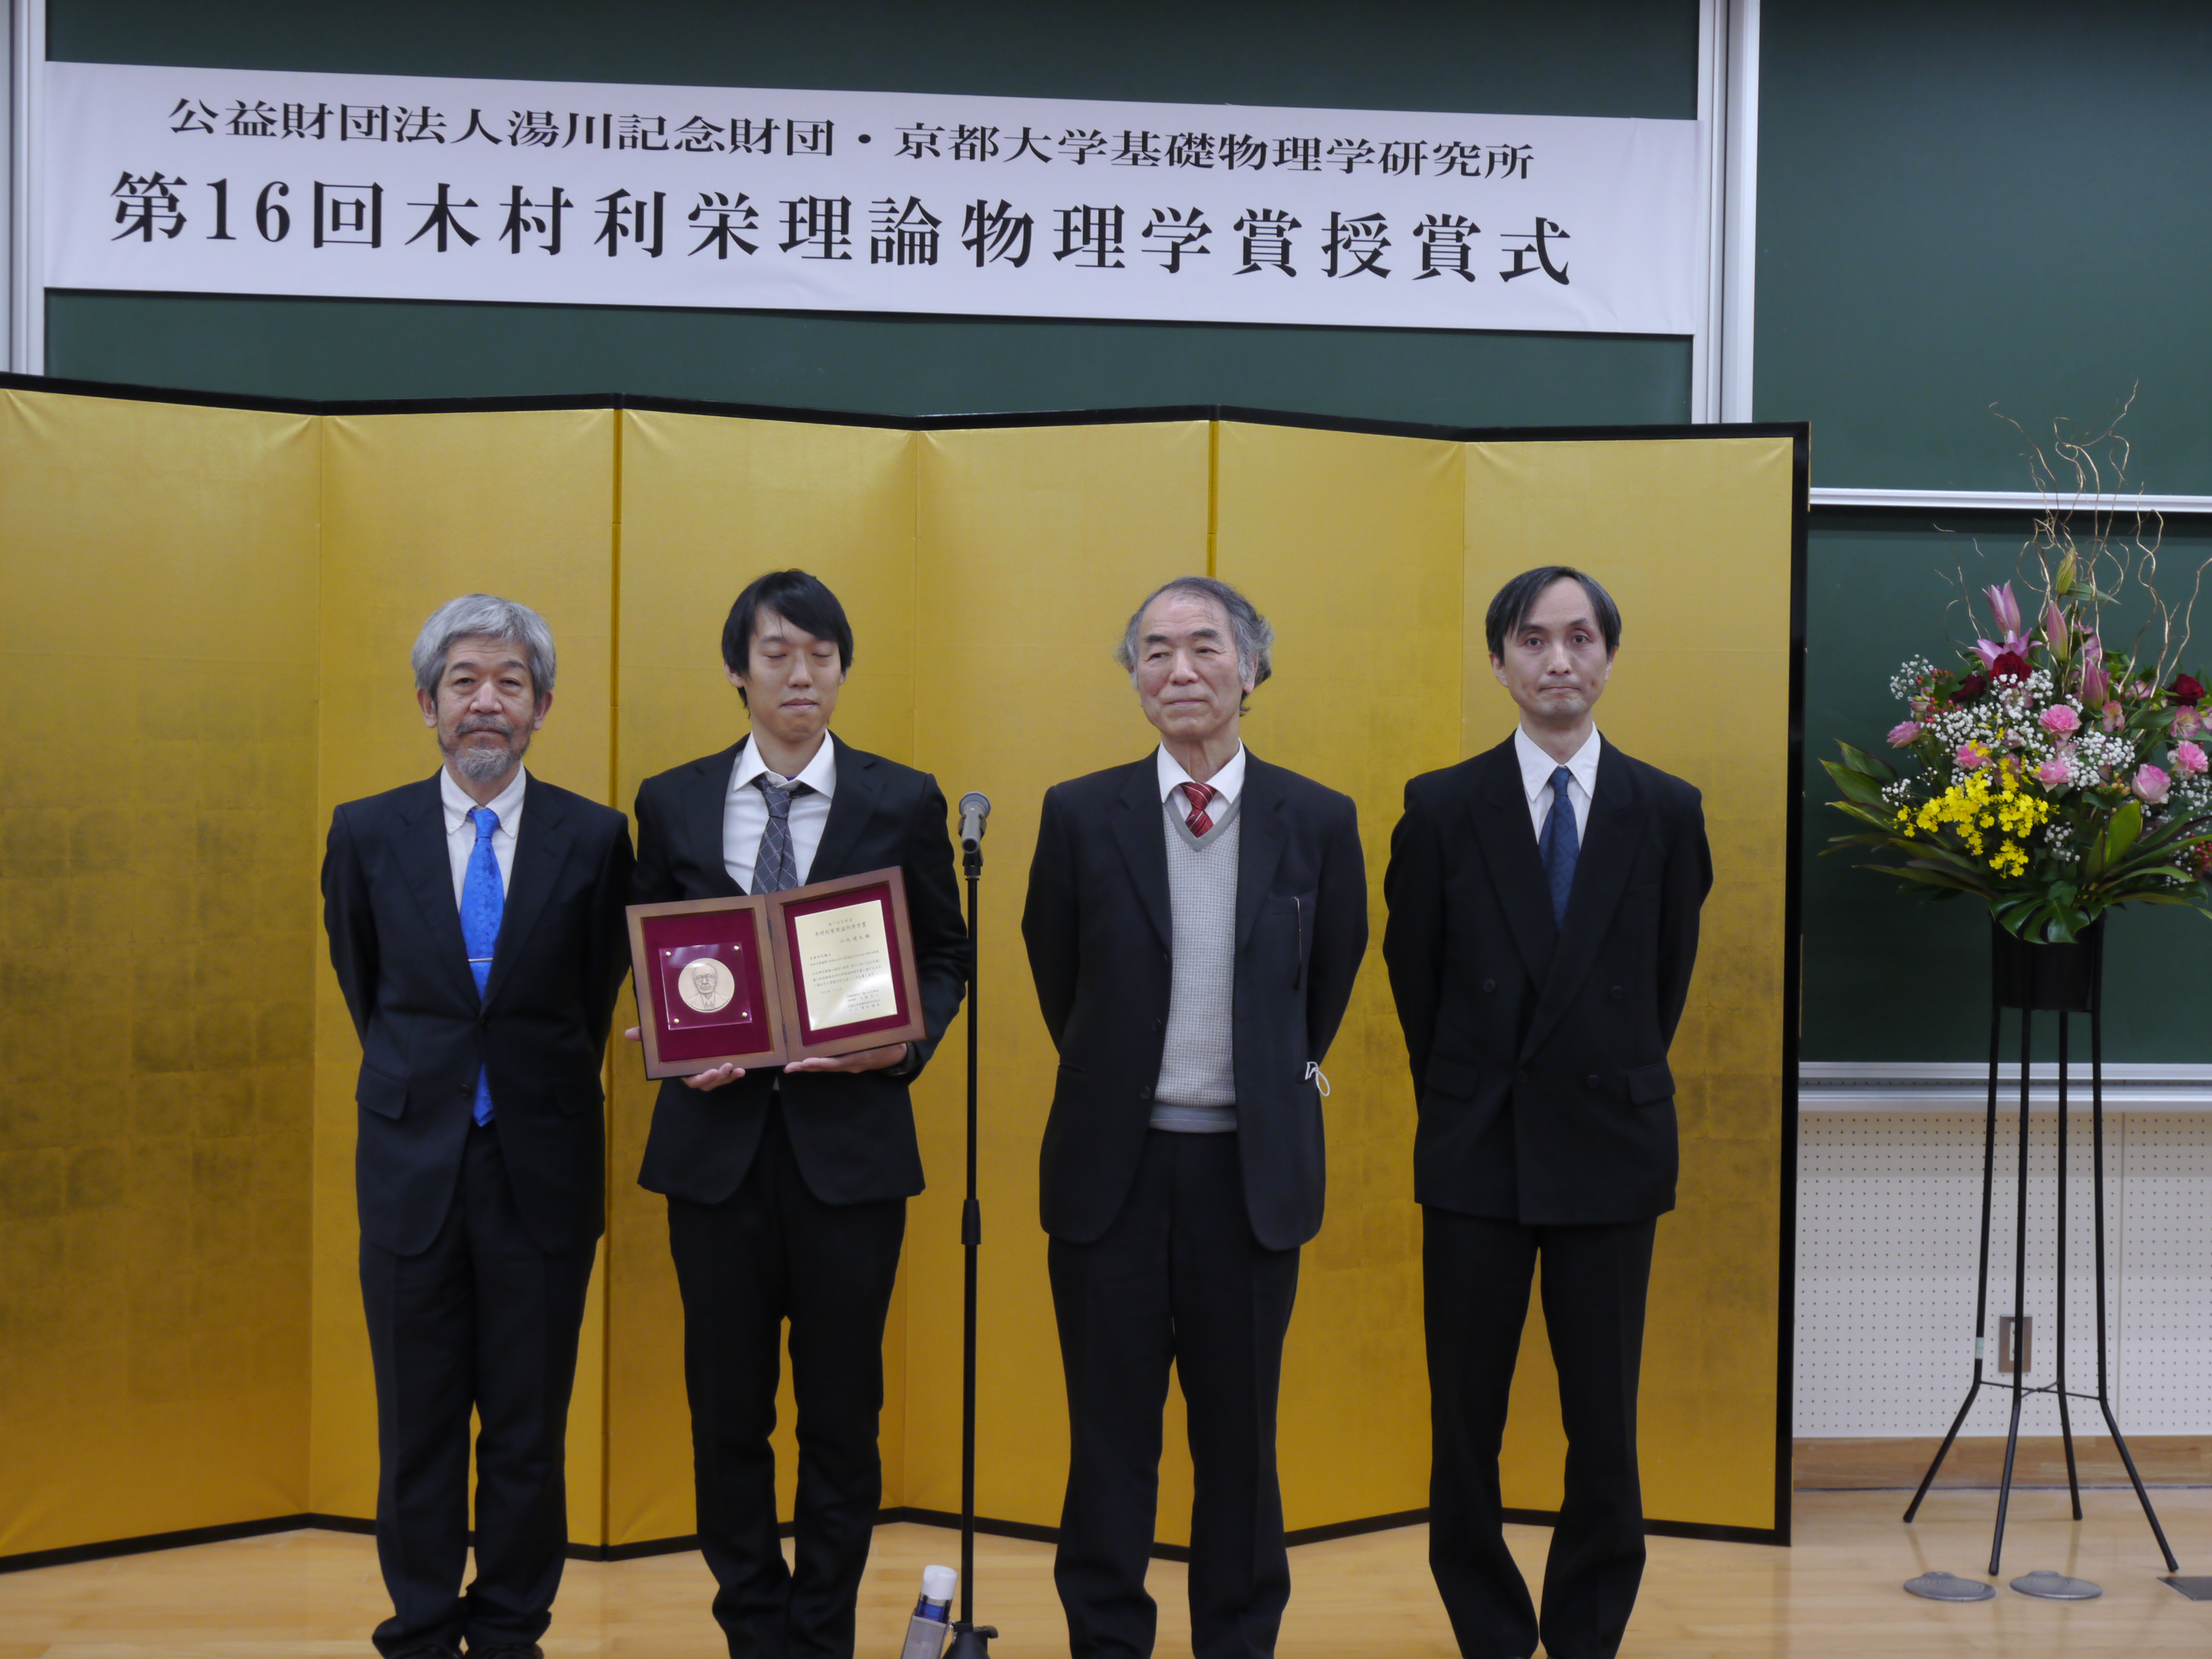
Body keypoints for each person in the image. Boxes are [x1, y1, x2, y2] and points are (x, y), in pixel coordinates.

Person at [1023, 576, 1368, 1659]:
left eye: (1206, 648)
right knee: (1108, 1443)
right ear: (1134, 677)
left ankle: (1237, 1640)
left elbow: (1329, 979)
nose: (1181, 670)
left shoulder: (1318, 819)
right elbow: (1058, 975)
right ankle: (1106, 1642)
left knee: (1241, 1446)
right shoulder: (1080, 814)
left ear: (1252, 668)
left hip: (1250, 1180)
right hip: (1112, 1179)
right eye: (1156, 651)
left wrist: (1258, 1076)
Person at [628, 569, 968, 1659]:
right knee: (726, 1415)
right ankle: (753, 1630)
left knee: (842, 1416)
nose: (801, 674)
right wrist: (669, 1040)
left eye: (821, 654)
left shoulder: (901, 798)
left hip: (850, 1157)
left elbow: (945, 956)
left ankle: (822, 1631)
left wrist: (901, 1044)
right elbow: (655, 950)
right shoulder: (672, 800)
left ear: (844, 668)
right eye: (777, 653)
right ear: (738, 670)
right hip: (713, 1158)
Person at [1382, 567, 1712, 1659]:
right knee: (1464, 1420)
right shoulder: (1441, 806)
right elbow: (1417, 982)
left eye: (1580, 638)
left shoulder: (1666, 809)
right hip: (1476, 1146)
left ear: (1610, 656)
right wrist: (1471, 1093)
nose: (1558, 660)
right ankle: (1487, 1630)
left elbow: (1662, 983)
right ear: (1499, 662)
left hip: (1611, 1146)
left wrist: (1598, 1071)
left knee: (1603, 1424)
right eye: (1532, 640)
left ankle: (1586, 1634)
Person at [322, 594, 636, 1659]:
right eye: (464, 682)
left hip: (541, 1168)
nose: (487, 702)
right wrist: (438, 1079)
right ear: (428, 705)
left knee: (527, 1428)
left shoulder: (597, 839)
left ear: (542, 706)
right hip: (411, 1166)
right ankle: (418, 1629)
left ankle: (508, 1630)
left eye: (511, 682)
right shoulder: (366, 833)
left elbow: (590, 999)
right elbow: (367, 986)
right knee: (415, 1424)